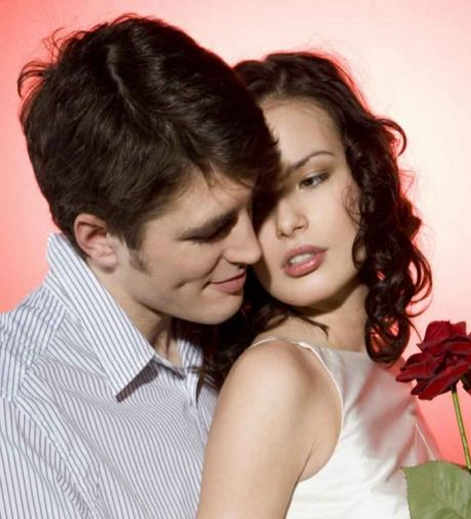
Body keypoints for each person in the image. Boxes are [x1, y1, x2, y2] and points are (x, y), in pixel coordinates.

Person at [0, 15, 279, 519]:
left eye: (252, 206)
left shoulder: (234, 321)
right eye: (211, 230)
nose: (251, 249)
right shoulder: (20, 412)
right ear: (100, 239)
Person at [195, 52, 438, 518]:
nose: (288, 222)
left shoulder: (380, 367)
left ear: (365, 176)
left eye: (311, 179)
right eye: (259, 204)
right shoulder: (274, 378)